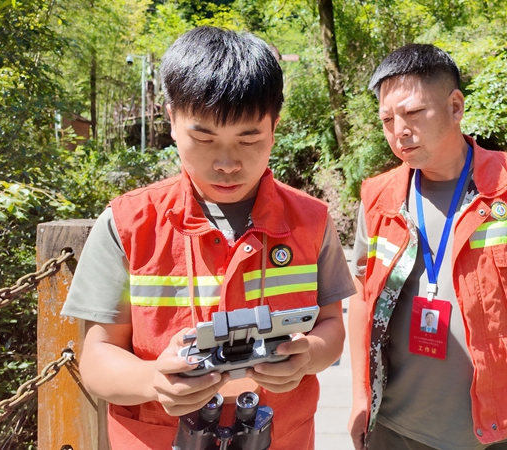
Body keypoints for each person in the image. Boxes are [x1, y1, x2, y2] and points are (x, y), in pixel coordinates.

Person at [60, 26, 356, 450]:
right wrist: (153, 381)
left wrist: (307, 354)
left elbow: (332, 328)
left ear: (275, 125)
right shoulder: (128, 225)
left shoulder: (311, 221)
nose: (227, 163)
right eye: (203, 137)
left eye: (249, 138)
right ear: (171, 120)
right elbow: (97, 358)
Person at [347, 44, 507, 450]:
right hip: (395, 427)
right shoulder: (377, 197)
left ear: (455, 106)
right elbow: (362, 298)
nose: (399, 131)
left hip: (501, 427)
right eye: (386, 120)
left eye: (413, 113)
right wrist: (360, 398)